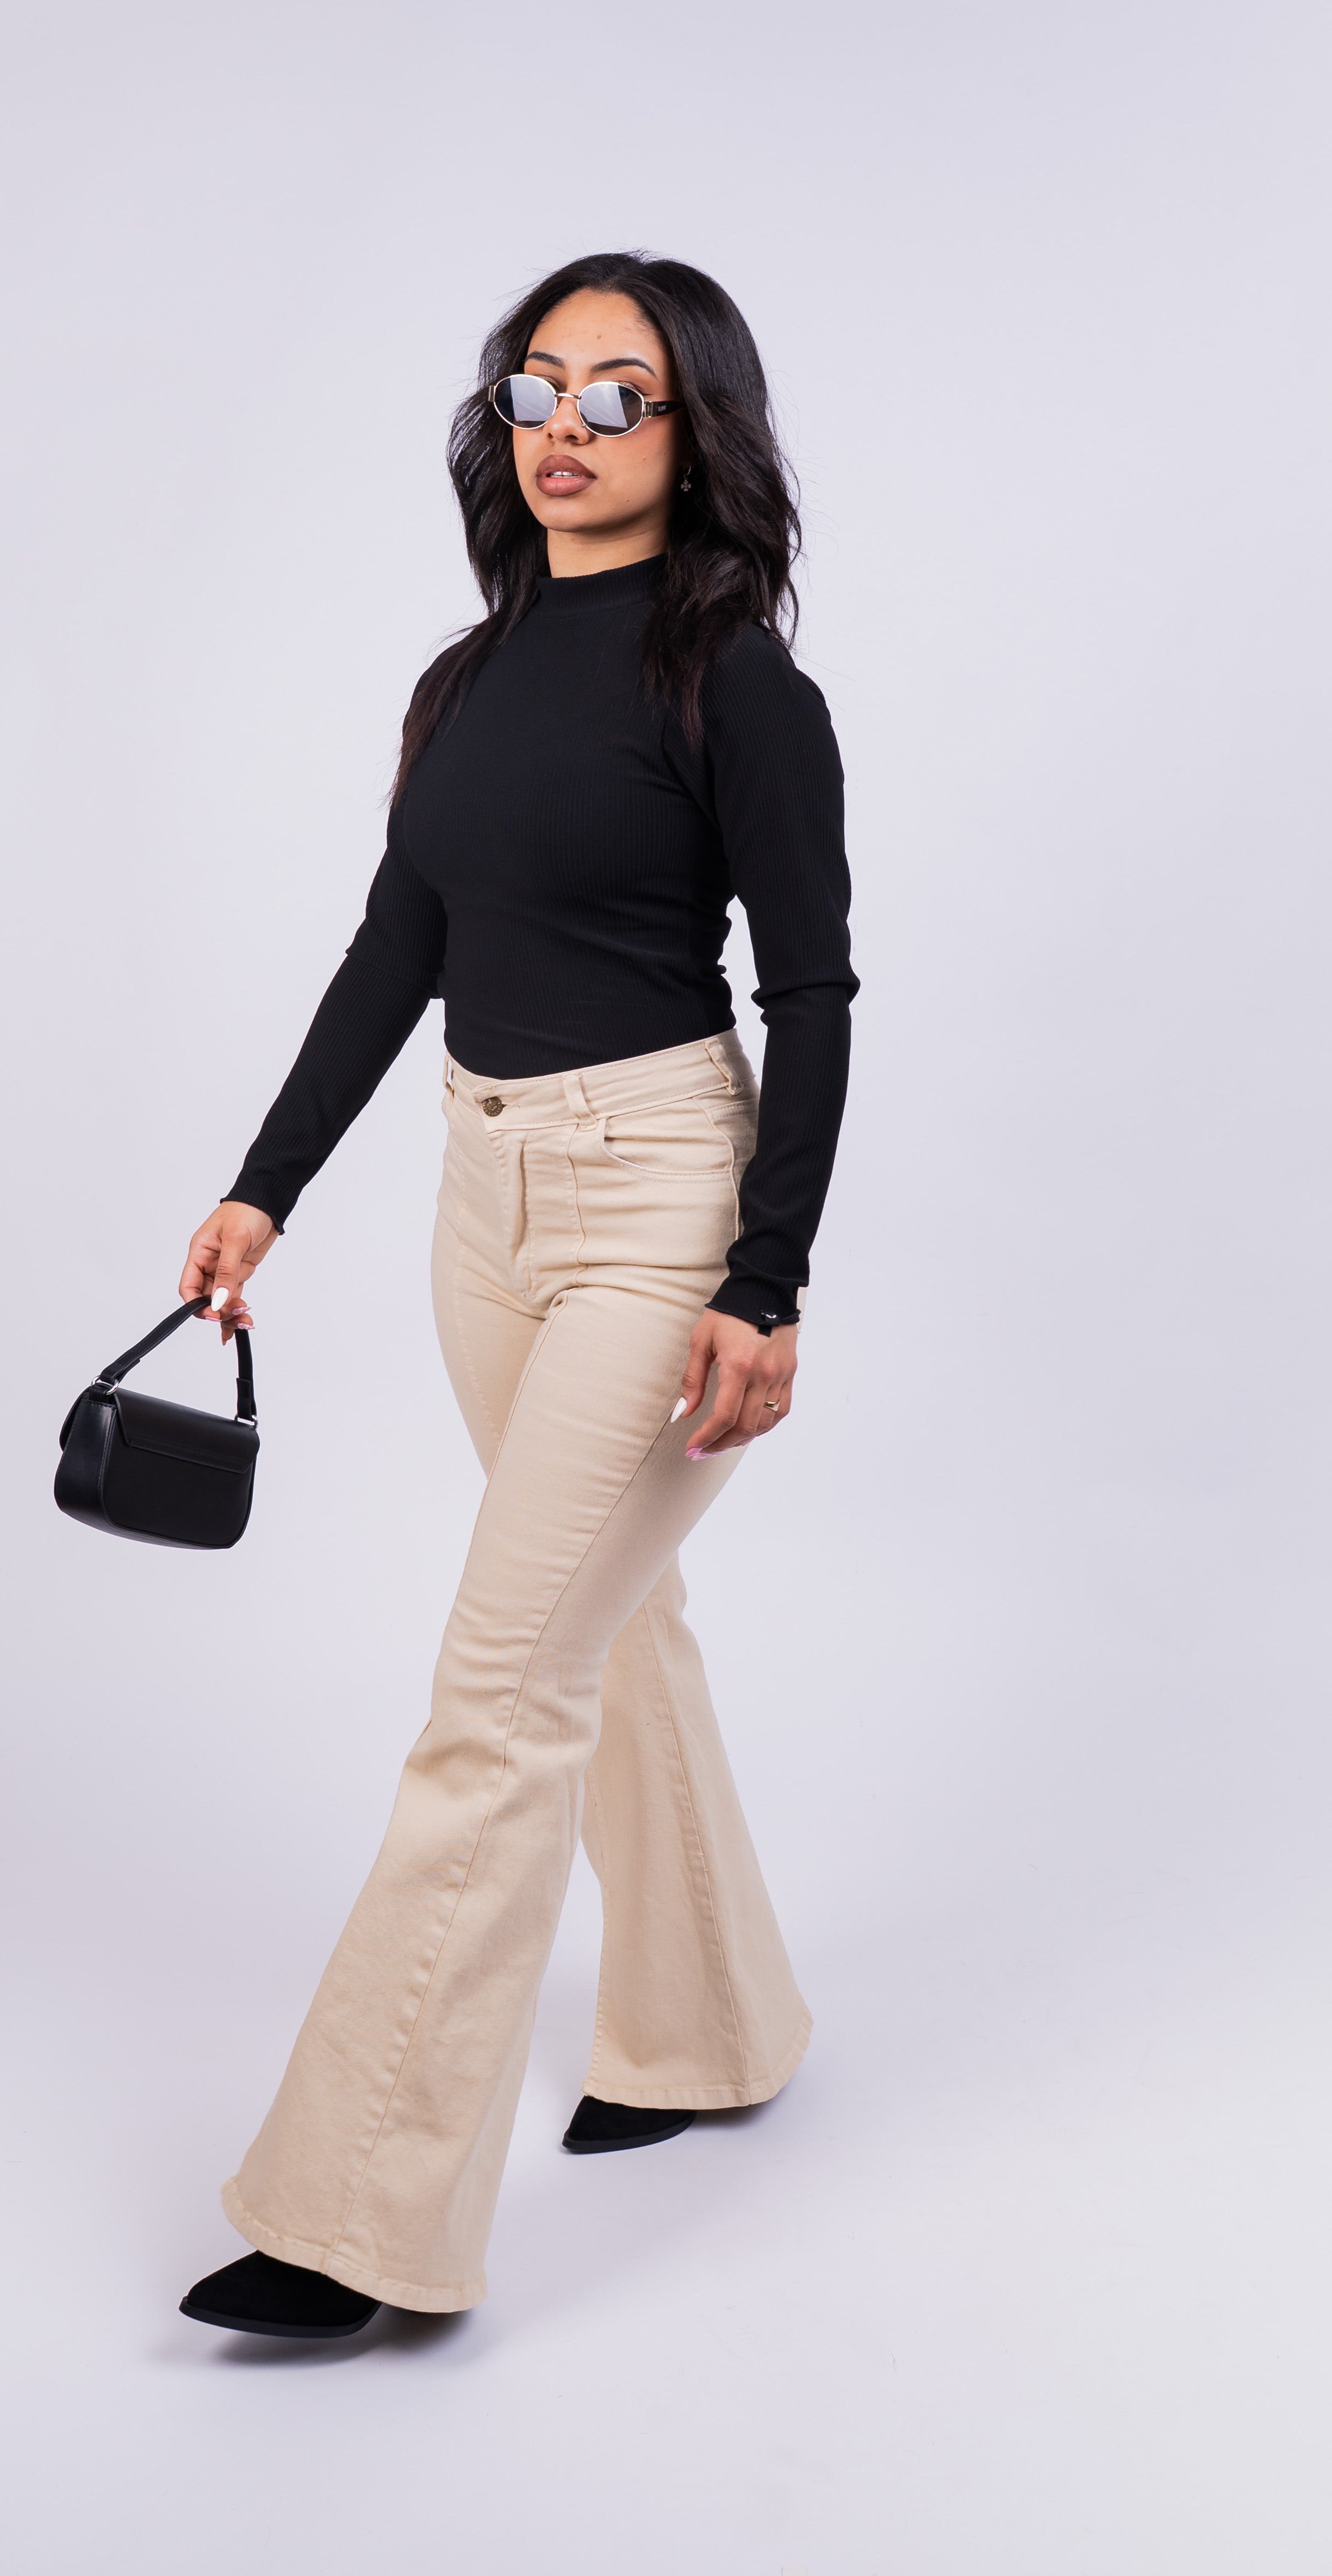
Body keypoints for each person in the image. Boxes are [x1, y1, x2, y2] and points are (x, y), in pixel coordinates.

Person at [175, 252, 857, 2343]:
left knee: (498, 1695)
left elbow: (814, 993)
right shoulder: (465, 682)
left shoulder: (737, 683)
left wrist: (766, 1281)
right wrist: (265, 1184)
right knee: (607, 1620)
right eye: (536, 388)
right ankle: (711, 2021)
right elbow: (400, 941)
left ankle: (357, 2217)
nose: (565, 427)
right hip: (485, 1199)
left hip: (664, 1203)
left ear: (694, 431)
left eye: (616, 395)